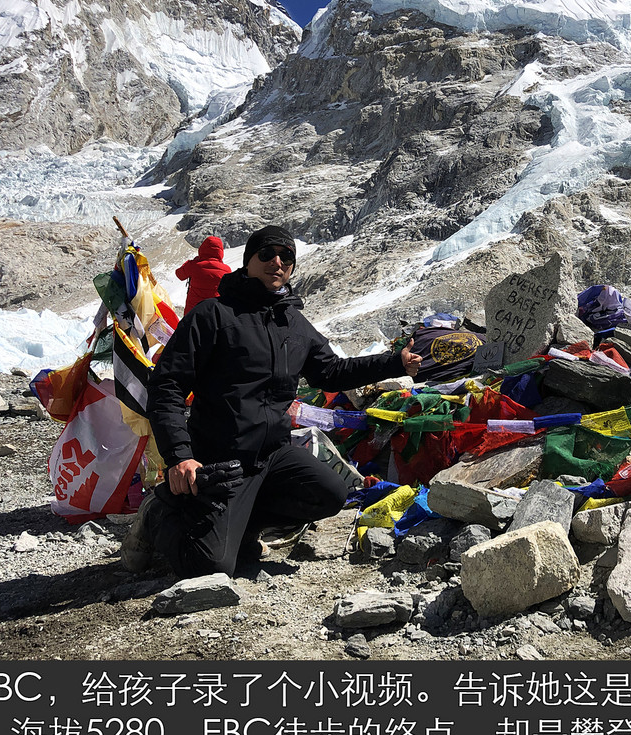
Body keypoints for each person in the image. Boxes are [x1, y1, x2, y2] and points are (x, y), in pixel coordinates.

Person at [122, 224, 420, 576]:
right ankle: (161, 512)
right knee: (208, 567)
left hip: (272, 457)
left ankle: (243, 526)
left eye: (287, 257)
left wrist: (393, 361)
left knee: (329, 493)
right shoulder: (213, 316)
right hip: (220, 461)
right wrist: (180, 458)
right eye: (267, 254)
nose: (277, 261)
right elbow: (167, 386)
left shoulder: (292, 322)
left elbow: (331, 373)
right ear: (248, 261)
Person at [175, 235, 230, 315]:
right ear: (220, 252)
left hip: (192, 312)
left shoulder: (194, 265)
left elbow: (179, 274)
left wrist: (190, 262)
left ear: (202, 248)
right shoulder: (226, 270)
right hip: (213, 313)